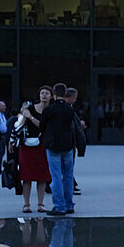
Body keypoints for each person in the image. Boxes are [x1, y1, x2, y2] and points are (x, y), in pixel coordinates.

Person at [40, 83, 77, 216]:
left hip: (53, 145)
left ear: (54, 94)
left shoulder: (49, 110)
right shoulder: (70, 109)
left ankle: (59, 206)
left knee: (56, 176)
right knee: (68, 176)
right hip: (67, 145)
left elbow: (42, 127)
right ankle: (69, 204)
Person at [18, 87, 52, 213]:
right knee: (26, 177)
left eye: (47, 93)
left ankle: (40, 204)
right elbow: (20, 125)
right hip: (27, 146)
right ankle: (26, 204)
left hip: (42, 146)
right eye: (42, 93)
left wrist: (31, 117)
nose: (44, 95)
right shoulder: (29, 109)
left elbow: (44, 127)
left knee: (41, 177)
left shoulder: (49, 111)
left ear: (51, 96)